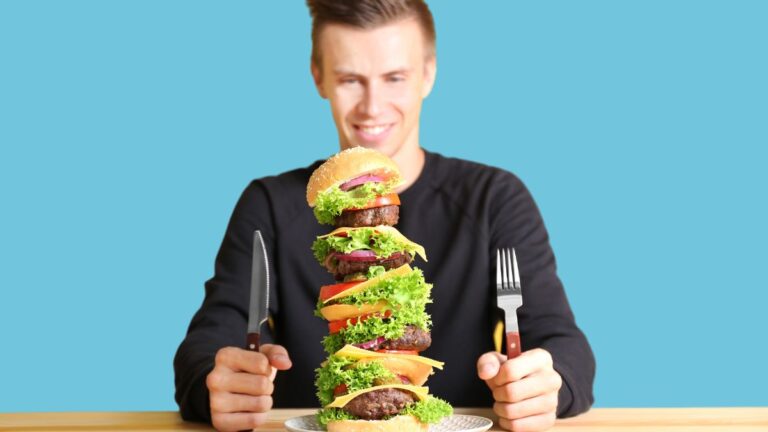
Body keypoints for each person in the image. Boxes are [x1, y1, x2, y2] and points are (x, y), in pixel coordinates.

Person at [174, 1, 596, 431]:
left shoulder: (494, 198)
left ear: (428, 74)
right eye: (350, 79)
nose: (372, 107)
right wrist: (212, 383)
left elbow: (564, 343)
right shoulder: (270, 203)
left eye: (394, 77)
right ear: (318, 77)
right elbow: (210, 339)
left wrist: (550, 383)